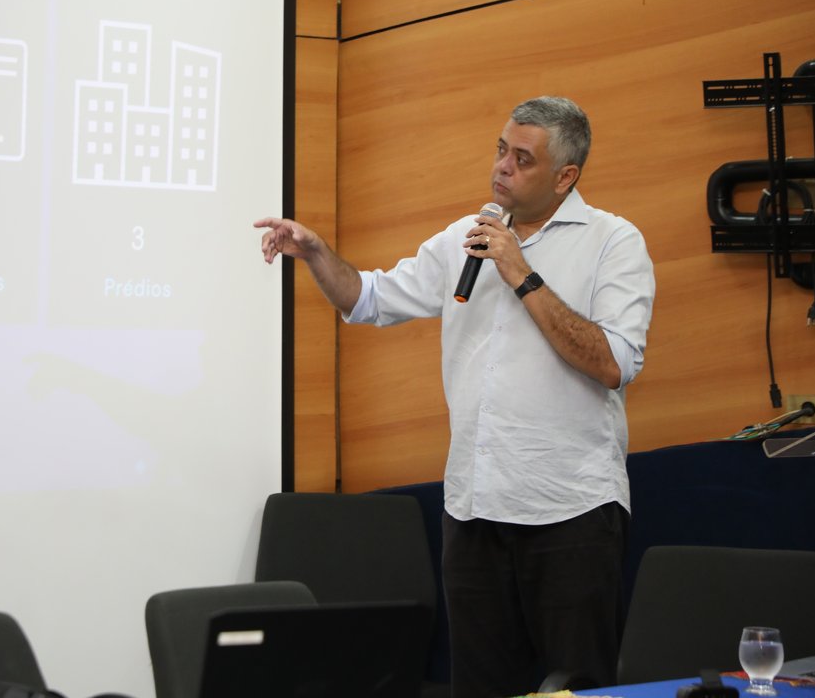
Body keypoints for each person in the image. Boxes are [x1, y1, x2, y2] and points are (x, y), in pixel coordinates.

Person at [254, 96, 655, 698]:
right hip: (473, 511)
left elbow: (614, 363)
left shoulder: (613, 241)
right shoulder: (462, 239)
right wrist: (315, 252)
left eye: (523, 159)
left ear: (565, 176)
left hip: (569, 513)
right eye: (501, 149)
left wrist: (520, 272)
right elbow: (368, 299)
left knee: (577, 687)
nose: (502, 167)